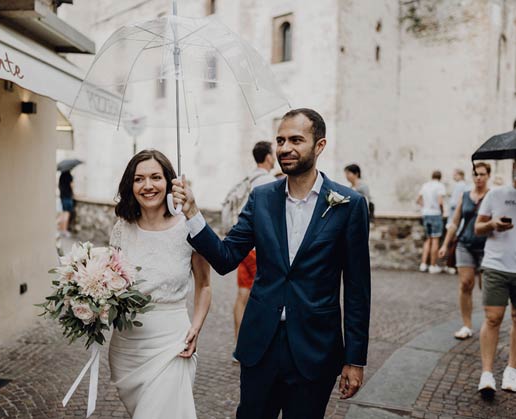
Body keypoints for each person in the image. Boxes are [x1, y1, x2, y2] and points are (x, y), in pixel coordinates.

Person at [172, 108, 371, 419]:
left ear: (319, 146)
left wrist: (355, 359)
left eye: (296, 140)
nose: (285, 148)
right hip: (260, 345)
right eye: (280, 140)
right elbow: (225, 259)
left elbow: (358, 288)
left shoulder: (349, 204)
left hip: (314, 347)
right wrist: (193, 213)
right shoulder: (262, 197)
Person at [108, 149, 212, 418]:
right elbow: (110, 282)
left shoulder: (188, 228)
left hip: (173, 343)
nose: (148, 186)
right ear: (130, 185)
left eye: (156, 177)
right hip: (127, 346)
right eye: (139, 179)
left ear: (169, 182)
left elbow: (204, 285)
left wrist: (197, 327)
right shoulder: (121, 227)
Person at [474, 159, 516, 396]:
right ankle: (487, 374)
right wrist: (493, 224)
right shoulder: (496, 194)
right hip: (496, 265)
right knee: (493, 317)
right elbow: (477, 228)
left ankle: (512, 369)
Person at [233, 141, 276, 363]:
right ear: (269, 157)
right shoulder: (269, 182)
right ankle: (257, 346)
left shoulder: (248, 179)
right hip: (259, 249)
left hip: (244, 247)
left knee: (242, 296)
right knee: (262, 298)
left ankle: (238, 345)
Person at [438, 162, 491, 340]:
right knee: (466, 283)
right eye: (476, 174)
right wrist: (445, 244)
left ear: (488, 176)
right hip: (464, 244)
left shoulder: (492, 196)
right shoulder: (465, 196)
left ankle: (489, 323)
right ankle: (467, 325)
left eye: (482, 174)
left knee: (487, 287)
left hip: (487, 247)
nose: (479, 178)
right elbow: (454, 222)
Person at [417, 170, 446, 274]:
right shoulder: (440, 186)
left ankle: (423, 264)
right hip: (435, 214)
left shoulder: (425, 185)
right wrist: (442, 211)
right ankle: (433, 265)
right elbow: (440, 201)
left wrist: (424, 207)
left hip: (426, 213)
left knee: (427, 240)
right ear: (440, 177)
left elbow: (418, 199)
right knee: (435, 240)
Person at [58, 171, 74, 237]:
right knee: (67, 214)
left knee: (63, 213)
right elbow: (72, 185)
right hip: (68, 197)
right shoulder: (68, 175)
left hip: (62, 197)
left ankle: (61, 230)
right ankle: (65, 231)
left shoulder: (61, 176)